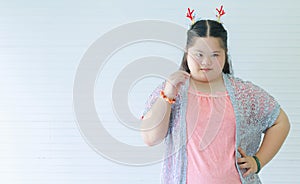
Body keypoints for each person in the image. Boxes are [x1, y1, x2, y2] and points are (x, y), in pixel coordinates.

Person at [140, 19, 290, 184]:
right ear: (186, 52)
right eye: (199, 54)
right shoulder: (173, 90)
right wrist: (168, 94)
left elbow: (280, 121)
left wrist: (258, 161)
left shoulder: (243, 92)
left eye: (215, 55)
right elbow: (150, 138)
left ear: (225, 54)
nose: (206, 62)